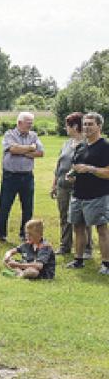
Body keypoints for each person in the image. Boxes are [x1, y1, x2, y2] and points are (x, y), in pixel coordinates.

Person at [65, 112, 109, 275]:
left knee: (102, 229)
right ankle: (78, 260)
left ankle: (106, 263)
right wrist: (71, 175)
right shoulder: (81, 146)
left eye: (91, 124)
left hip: (97, 195)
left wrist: (90, 169)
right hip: (78, 194)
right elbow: (76, 166)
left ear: (99, 126)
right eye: (85, 124)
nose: (87, 127)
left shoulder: (105, 147)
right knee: (78, 227)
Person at [0, 111, 45, 243]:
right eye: (28, 123)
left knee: (28, 207)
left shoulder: (34, 135)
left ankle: (25, 234)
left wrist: (24, 151)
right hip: (10, 176)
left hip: (27, 176)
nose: (30, 125)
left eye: (31, 123)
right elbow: (13, 149)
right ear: (19, 123)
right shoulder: (9, 134)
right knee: (5, 205)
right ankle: (1, 233)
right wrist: (30, 148)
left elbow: (40, 152)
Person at [52, 112, 92, 257]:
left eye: (67, 125)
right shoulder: (66, 143)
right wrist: (54, 184)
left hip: (79, 187)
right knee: (64, 216)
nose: (65, 128)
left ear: (75, 126)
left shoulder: (87, 144)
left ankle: (87, 248)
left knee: (82, 218)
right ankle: (65, 246)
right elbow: (59, 165)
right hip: (62, 186)